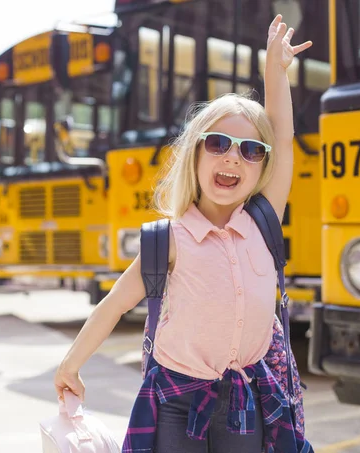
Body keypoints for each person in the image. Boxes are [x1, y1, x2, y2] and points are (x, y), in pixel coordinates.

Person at [54, 14, 313, 453]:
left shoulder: (262, 222)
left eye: (250, 150)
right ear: (195, 153)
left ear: (263, 168)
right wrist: (71, 364)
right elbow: (114, 305)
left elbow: (283, 138)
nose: (233, 158)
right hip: (175, 399)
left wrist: (275, 69)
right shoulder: (170, 239)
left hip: (245, 397)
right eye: (218, 144)